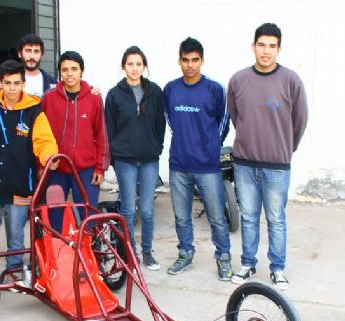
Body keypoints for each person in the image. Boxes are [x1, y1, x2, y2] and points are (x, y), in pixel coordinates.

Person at [0, 60, 59, 298]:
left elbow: (44, 141)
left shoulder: (34, 110)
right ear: (0, 83)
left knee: (16, 235)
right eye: (8, 83)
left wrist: (50, 156)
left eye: (17, 83)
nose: (13, 88)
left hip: (19, 184)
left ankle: (14, 272)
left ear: (23, 84)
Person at [227, 23, 309, 290]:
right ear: (253, 46)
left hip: (277, 166)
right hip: (245, 163)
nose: (266, 51)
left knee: (276, 218)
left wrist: (285, 147)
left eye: (272, 46)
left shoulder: (291, 80)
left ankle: (277, 268)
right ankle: (248, 263)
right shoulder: (238, 80)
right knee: (249, 217)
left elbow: (300, 120)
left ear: (279, 49)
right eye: (261, 45)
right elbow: (236, 117)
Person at [163, 37, 232, 280]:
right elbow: (171, 122)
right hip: (179, 165)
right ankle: (185, 253)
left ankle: (223, 257)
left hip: (207, 166)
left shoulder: (214, 89)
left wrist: (211, 146)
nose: (190, 65)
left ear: (202, 60)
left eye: (195, 60)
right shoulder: (171, 89)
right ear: (179, 61)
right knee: (182, 217)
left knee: (216, 217)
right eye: (185, 60)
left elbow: (224, 123)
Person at [104, 46, 166, 270]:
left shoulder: (155, 92)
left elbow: (160, 124)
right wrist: (115, 156)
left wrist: (155, 147)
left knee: (147, 210)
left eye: (138, 64)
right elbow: (109, 128)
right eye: (130, 64)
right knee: (128, 209)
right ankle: (130, 253)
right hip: (125, 160)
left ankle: (148, 252)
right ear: (123, 66)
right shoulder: (114, 94)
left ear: (144, 66)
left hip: (149, 159)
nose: (134, 68)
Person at [40, 51, 109, 230]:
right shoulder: (49, 97)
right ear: (60, 73)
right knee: (55, 215)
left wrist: (100, 167)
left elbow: (102, 134)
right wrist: (42, 165)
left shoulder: (94, 98)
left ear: (82, 71)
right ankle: (58, 252)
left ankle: (90, 253)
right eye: (65, 70)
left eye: (74, 69)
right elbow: (40, 133)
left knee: (88, 216)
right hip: (57, 168)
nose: (69, 73)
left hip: (86, 169)